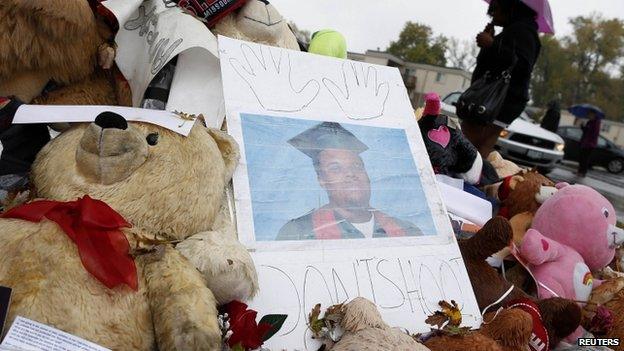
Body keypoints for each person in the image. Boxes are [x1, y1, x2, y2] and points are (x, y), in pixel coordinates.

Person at [276, 122, 423, 240]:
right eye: (336, 168)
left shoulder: (408, 232)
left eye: (357, 166)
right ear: (322, 180)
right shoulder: (298, 234)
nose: (351, 174)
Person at [461, 0, 542, 158]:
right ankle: (470, 178)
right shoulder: (513, 31)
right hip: (499, 99)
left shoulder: (523, 32)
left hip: (498, 100)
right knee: (480, 145)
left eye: (496, 8)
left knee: (471, 142)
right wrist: (491, 42)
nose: (492, 14)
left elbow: (523, 66)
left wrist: (492, 45)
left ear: (510, 8)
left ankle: (462, 178)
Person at [577, 111, 601, 177]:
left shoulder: (596, 123)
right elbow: (585, 131)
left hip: (590, 144)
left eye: (589, 115)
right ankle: (579, 171)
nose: (588, 116)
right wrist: (582, 126)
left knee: (585, 158)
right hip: (584, 143)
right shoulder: (589, 122)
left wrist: (588, 128)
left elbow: (594, 133)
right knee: (581, 157)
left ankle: (583, 172)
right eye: (588, 115)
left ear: (593, 115)